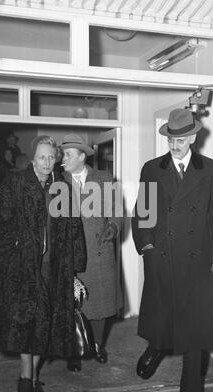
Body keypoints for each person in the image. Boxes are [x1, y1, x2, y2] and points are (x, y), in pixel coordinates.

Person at [132, 109, 213, 392]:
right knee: (163, 315)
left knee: (195, 327)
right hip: (162, 257)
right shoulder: (152, 169)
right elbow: (142, 214)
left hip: (198, 260)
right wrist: (147, 248)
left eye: (180, 140)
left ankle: (191, 390)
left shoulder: (212, 170)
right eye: (170, 140)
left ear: (192, 138)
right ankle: (157, 347)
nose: (174, 145)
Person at [0, 135, 86, 392]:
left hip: (54, 267)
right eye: (42, 157)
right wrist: (16, 244)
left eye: (51, 157)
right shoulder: (17, 182)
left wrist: (74, 268)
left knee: (49, 322)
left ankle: (33, 374)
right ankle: (25, 375)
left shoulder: (62, 187)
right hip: (24, 267)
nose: (46, 162)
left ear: (56, 159)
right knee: (27, 322)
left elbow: (72, 228)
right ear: (33, 158)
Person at [61, 133, 122, 372]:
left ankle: (97, 345)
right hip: (69, 253)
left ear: (82, 156)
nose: (62, 158)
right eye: (63, 154)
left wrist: (113, 227)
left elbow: (116, 212)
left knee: (101, 303)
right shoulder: (57, 180)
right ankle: (73, 350)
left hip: (99, 251)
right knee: (69, 304)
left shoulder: (104, 178)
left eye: (67, 154)